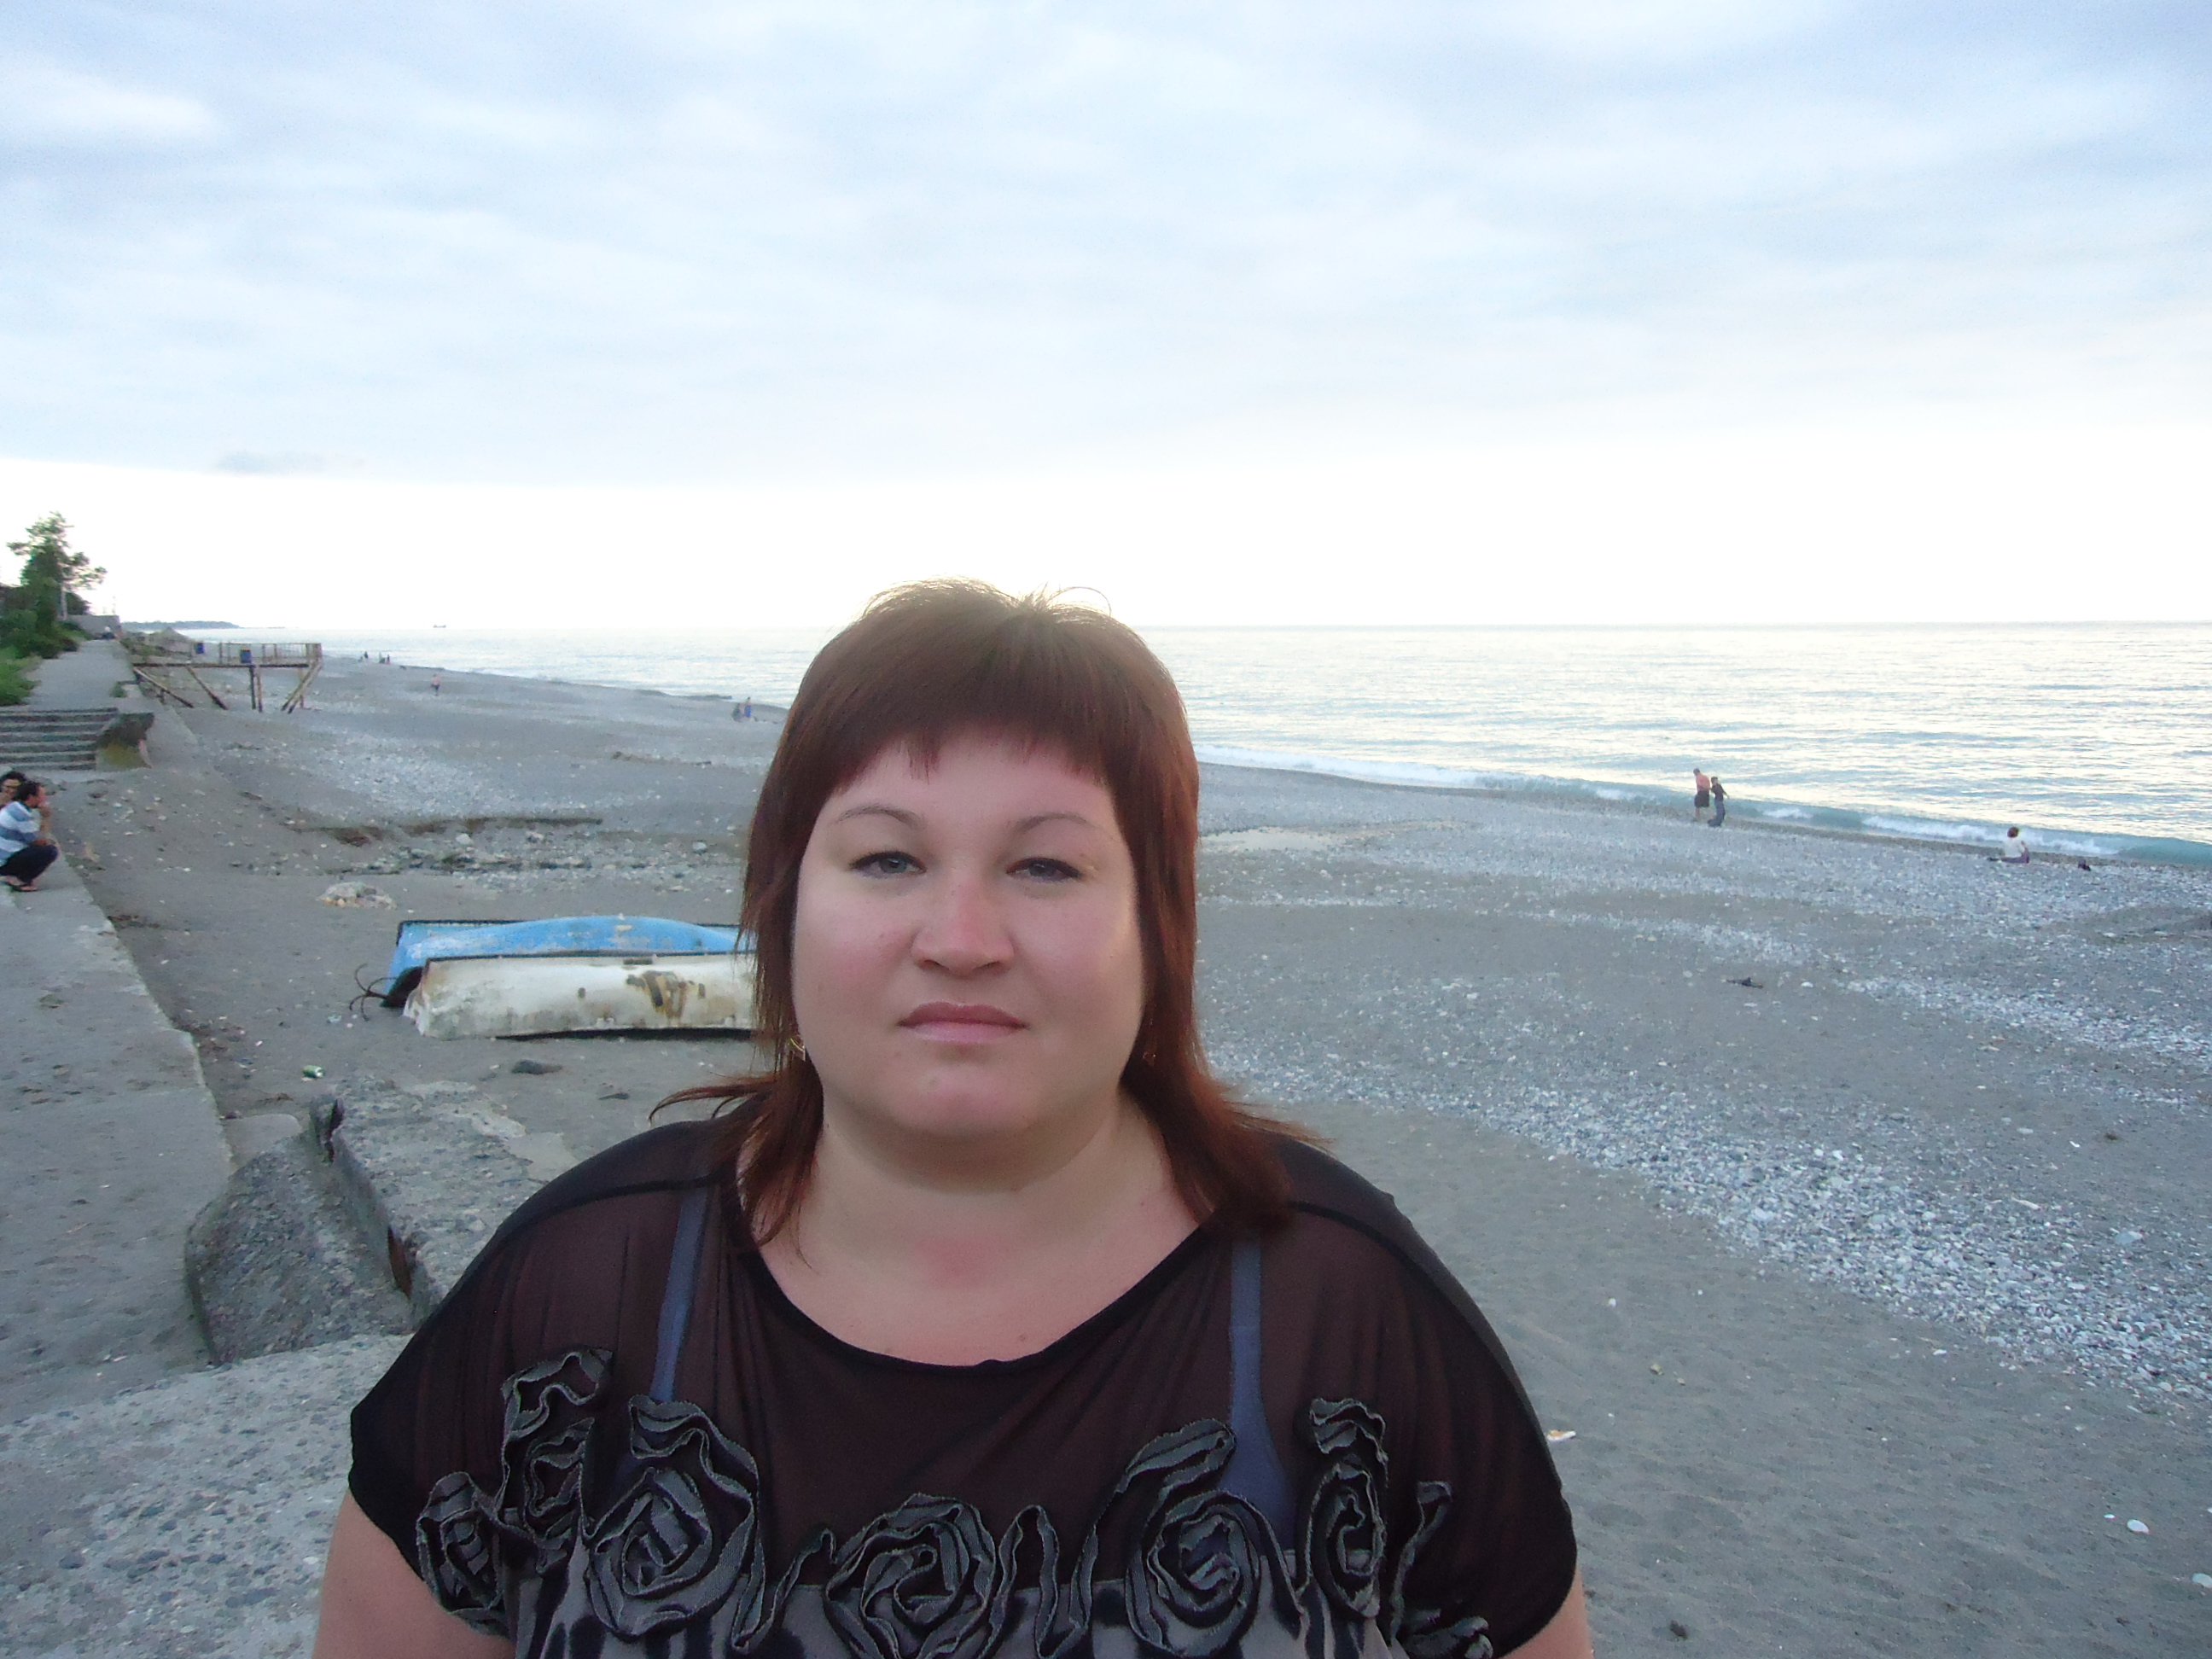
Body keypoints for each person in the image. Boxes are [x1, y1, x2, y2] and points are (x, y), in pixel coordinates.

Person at [317, 581, 1590, 1659]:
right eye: (888, 859)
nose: (963, 940)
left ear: (1157, 927)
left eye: (1045, 866)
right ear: (785, 907)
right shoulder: (584, 1290)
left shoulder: (1347, 1314)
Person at [1, 778, 59, 892]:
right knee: (50, 851)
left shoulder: (14, 807)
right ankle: (20, 880)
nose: (45, 799)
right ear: (31, 797)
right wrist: (46, 818)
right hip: (4, 862)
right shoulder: (22, 816)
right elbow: (38, 842)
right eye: (42, 796)